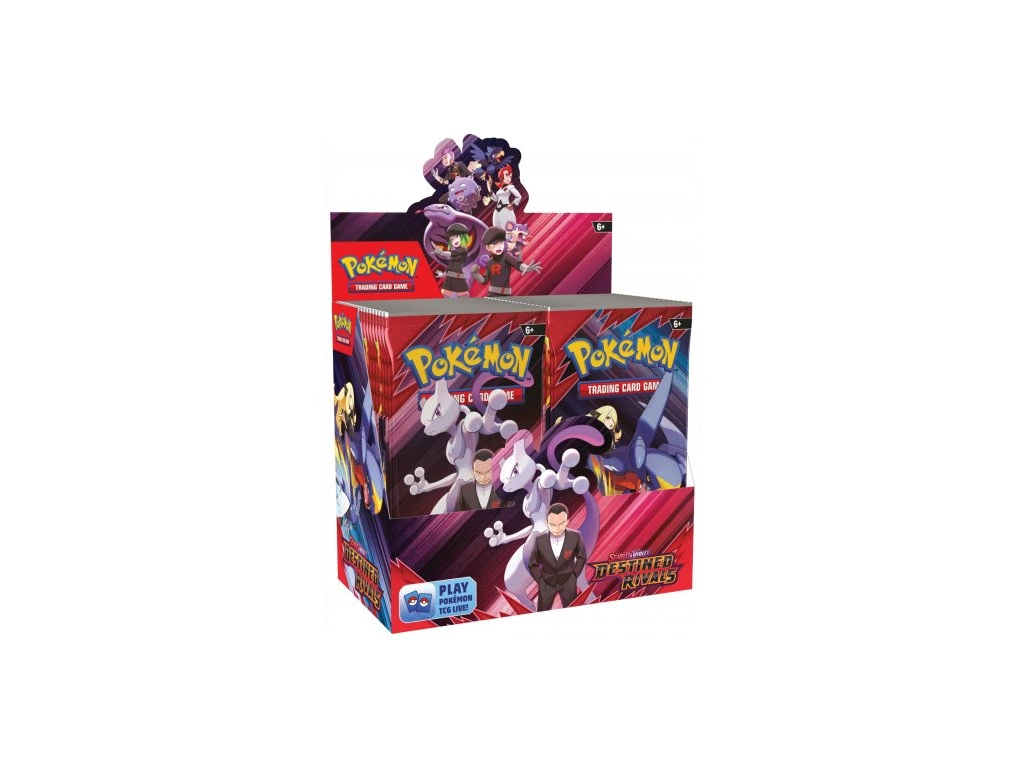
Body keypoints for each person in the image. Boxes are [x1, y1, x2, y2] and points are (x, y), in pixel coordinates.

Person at [527, 503, 587, 610]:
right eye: (553, 524)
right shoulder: (539, 540)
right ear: (547, 523)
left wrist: (574, 575)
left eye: (561, 523)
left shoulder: (575, 536)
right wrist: (540, 580)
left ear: (567, 521)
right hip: (546, 582)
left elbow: (582, 557)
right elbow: (532, 564)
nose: (557, 528)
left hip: (568, 581)